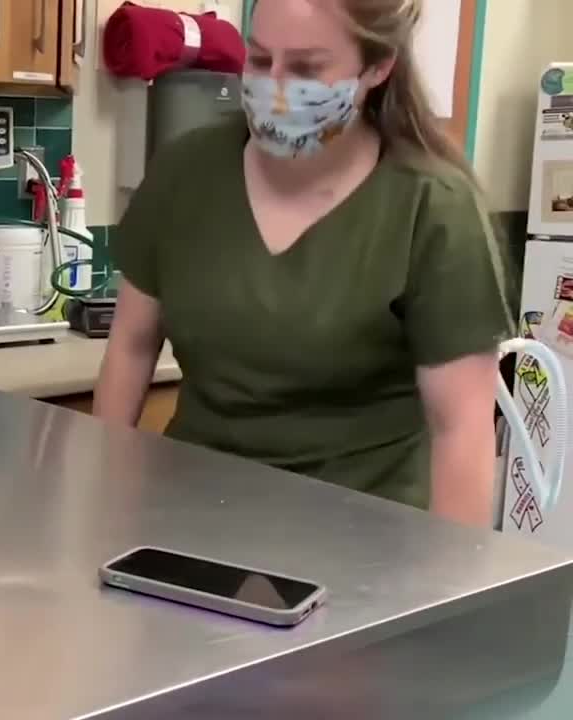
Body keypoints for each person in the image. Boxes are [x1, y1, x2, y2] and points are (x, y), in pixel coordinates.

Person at [94, 0, 513, 528]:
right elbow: (131, 346)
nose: (277, 87)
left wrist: (452, 591)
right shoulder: (186, 173)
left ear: (377, 69)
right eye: (261, 59)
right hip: (190, 522)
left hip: (364, 546)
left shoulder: (432, 208)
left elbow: (461, 429)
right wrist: (104, 497)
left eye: (308, 68)